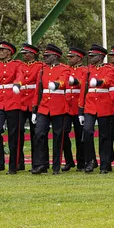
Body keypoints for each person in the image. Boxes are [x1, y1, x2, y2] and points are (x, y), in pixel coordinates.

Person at [33, 44, 72, 175]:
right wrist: (35, 109)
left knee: (58, 137)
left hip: (58, 106)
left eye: (47, 56)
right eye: (44, 56)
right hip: (44, 106)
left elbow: (64, 81)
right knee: (39, 134)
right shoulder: (42, 70)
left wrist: (56, 84)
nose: (45, 58)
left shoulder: (64, 68)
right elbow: (38, 91)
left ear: (55, 56)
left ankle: (56, 166)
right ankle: (40, 164)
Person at [81, 45, 114, 173]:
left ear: (101, 57)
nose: (90, 58)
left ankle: (105, 163)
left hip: (104, 104)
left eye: (93, 56)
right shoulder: (87, 70)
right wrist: (81, 110)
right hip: (90, 105)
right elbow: (83, 90)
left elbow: (108, 81)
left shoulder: (109, 69)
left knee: (104, 135)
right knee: (87, 132)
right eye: (90, 56)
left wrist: (98, 82)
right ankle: (90, 160)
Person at [0, 41, 23, 174]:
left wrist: (17, 84)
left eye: (3, 50)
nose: (0, 52)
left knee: (13, 134)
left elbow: (20, 75)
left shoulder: (16, 64)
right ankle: (0, 163)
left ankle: (13, 165)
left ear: (9, 52)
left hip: (13, 101)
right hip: (0, 102)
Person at [17, 44, 42, 172]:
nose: (24, 55)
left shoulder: (39, 66)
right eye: (23, 53)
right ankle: (19, 162)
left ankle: (36, 162)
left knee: (35, 134)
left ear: (33, 54)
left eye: (27, 53)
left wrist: (36, 105)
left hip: (33, 100)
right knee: (19, 132)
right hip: (21, 102)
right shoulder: (20, 66)